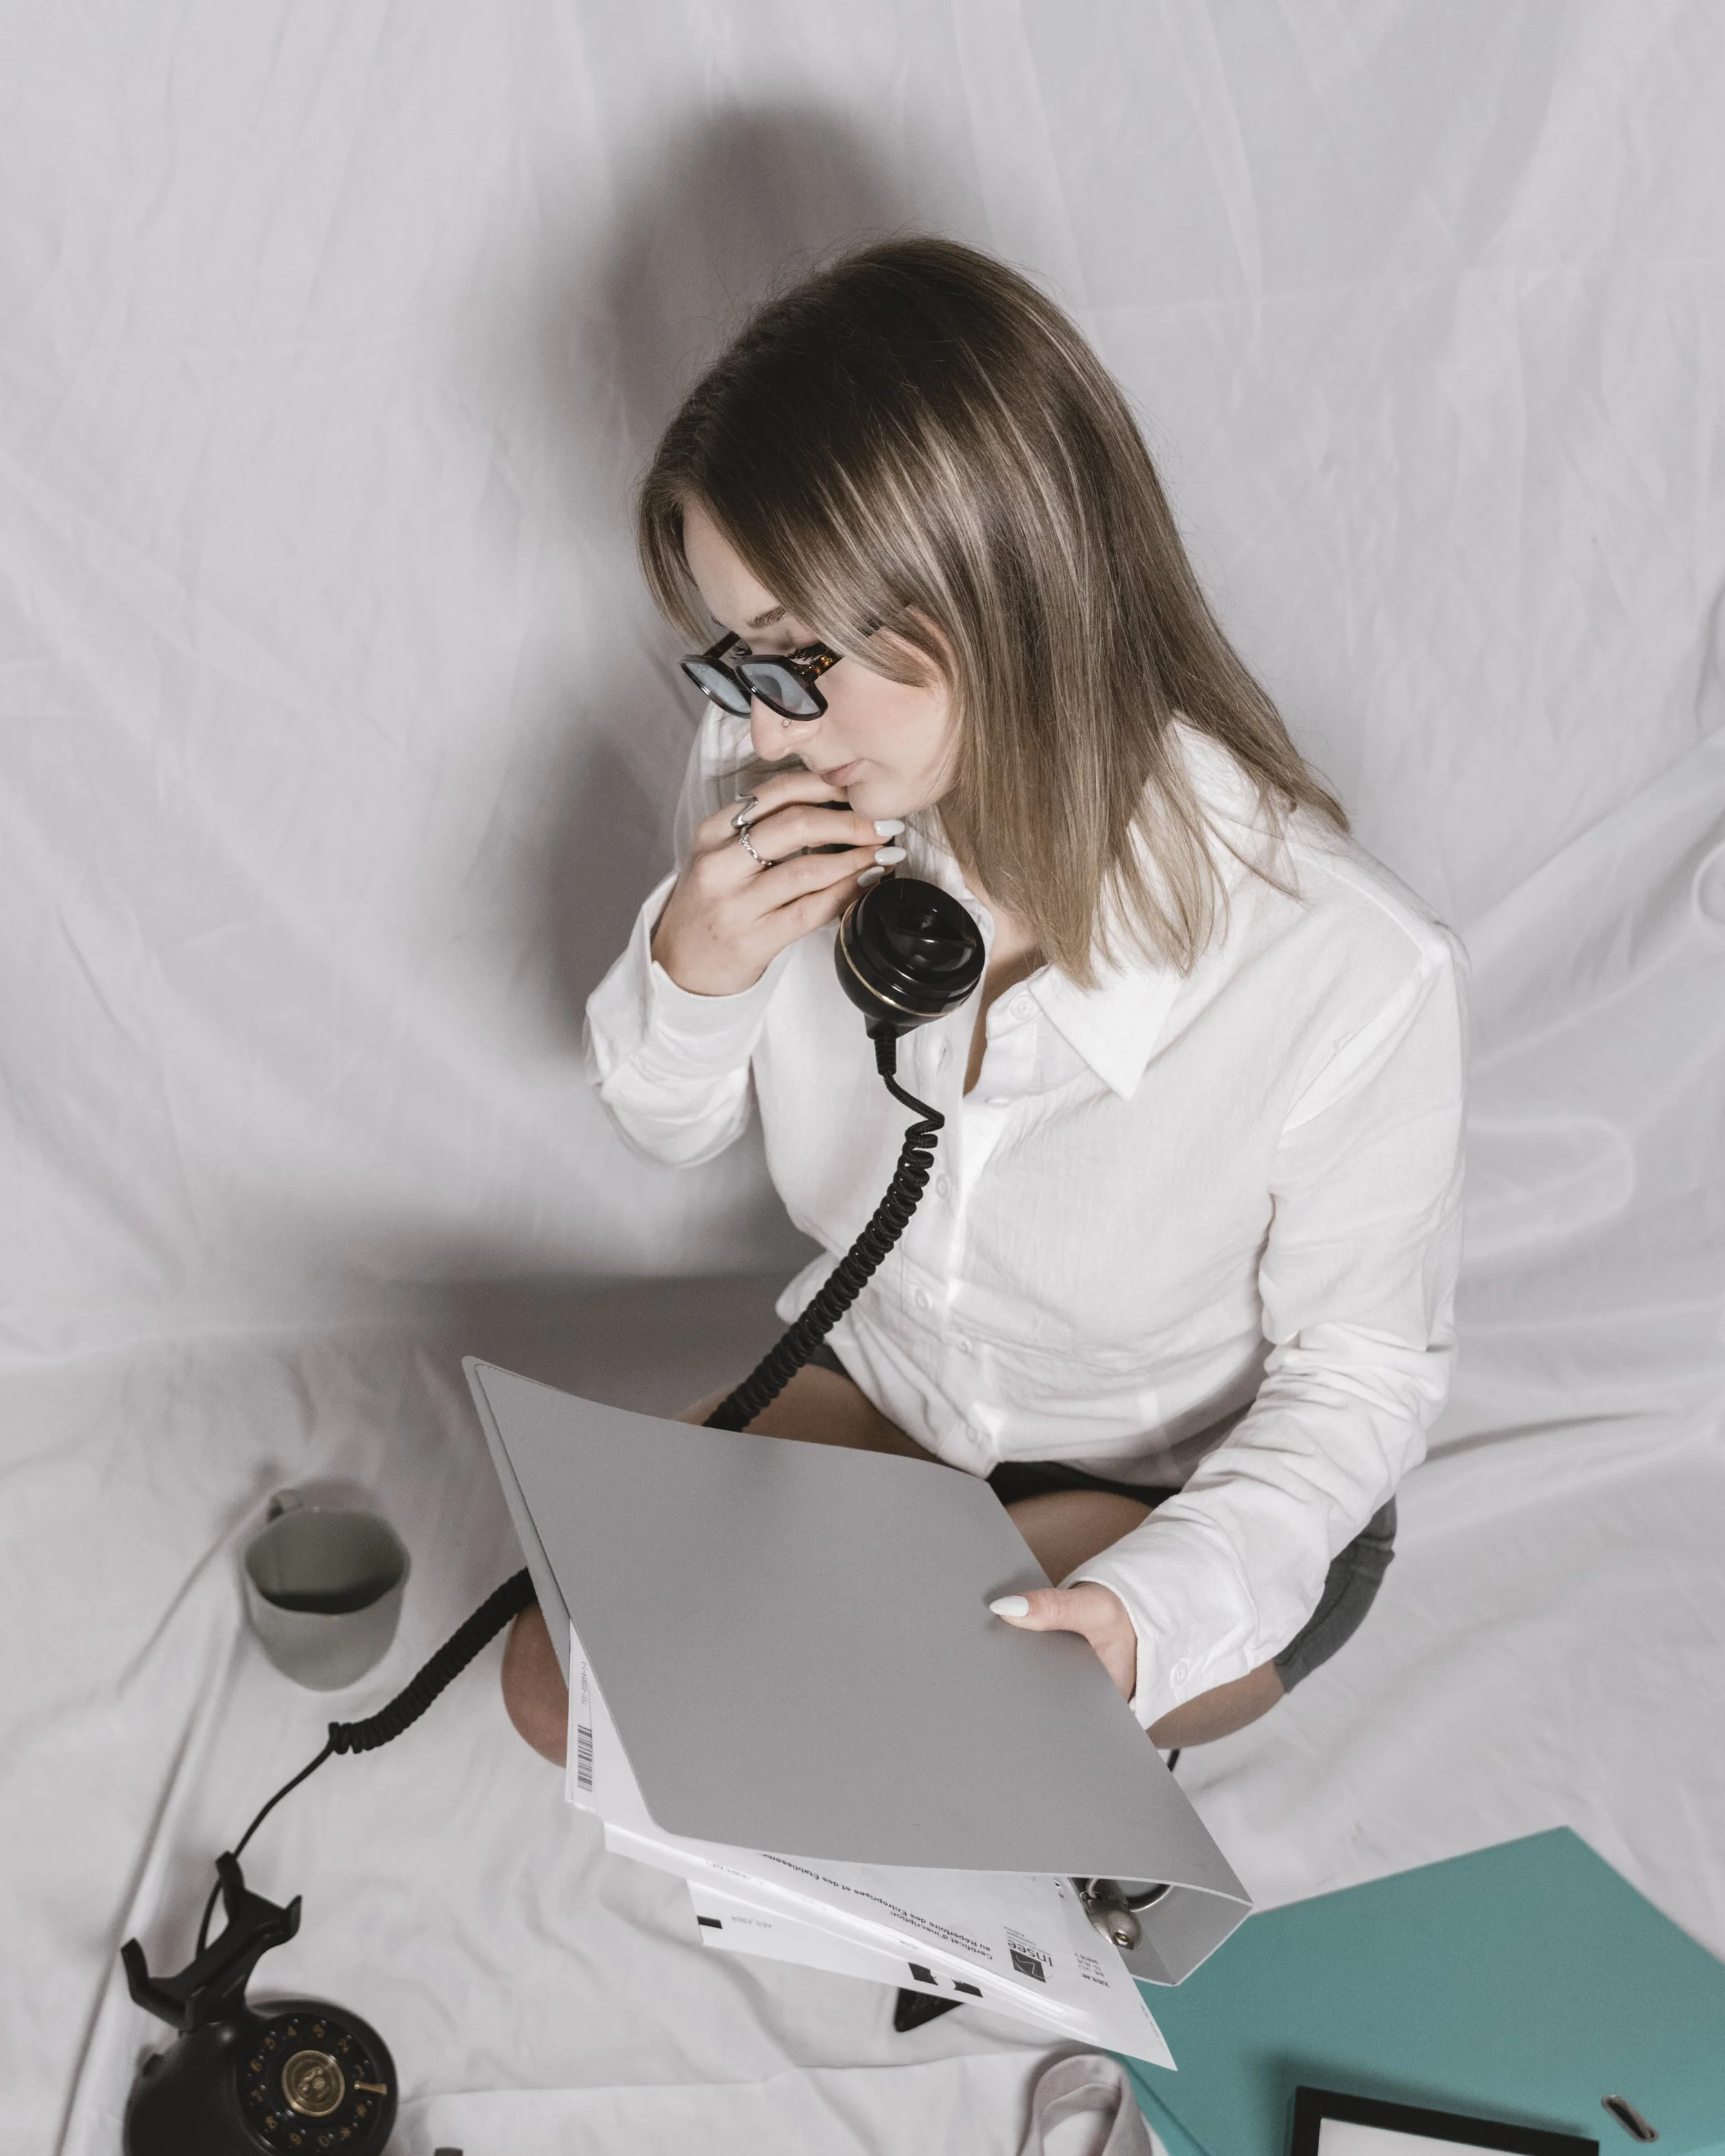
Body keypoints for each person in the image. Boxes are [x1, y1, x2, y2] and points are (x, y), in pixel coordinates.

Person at [502, 237, 1465, 1765]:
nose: (766, 725)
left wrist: (1154, 1607)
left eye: (790, 656)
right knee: (567, 1684)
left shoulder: (1345, 966)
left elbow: (1357, 1382)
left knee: (905, 1739)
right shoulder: (803, 779)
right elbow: (668, 1127)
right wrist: (696, 964)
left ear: (993, 589)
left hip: (1181, 1478)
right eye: (737, 662)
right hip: (887, 1378)